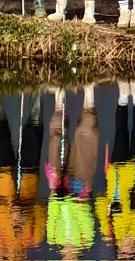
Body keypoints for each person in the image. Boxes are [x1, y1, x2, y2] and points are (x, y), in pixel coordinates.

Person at [98, 80, 135, 260]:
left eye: (124, 253)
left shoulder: (110, 232)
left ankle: (123, 95)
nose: (128, 248)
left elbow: (99, 202)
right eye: (130, 254)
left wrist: (110, 206)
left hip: (117, 172)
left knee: (120, 131)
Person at [0, 96, 46, 259]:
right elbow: (43, 208)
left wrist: (10, 209)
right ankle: (38, 88)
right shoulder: (34, 238)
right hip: (29, 177)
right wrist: (25, 211)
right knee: (34, 128)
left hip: (1, 178)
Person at [45, 85, 98, 257]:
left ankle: (59, 99)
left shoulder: (53, 239)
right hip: (78, 192)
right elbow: (85, 215)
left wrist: (57, 199)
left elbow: (52, 213)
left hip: (59, 190)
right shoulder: (86, 239)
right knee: (86, 138)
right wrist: (70, 202)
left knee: (55, 144)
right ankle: (89, 94)